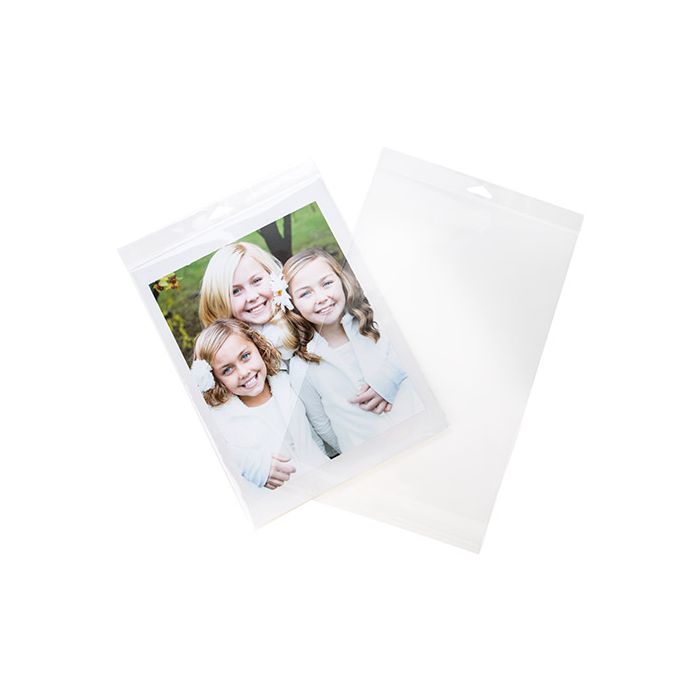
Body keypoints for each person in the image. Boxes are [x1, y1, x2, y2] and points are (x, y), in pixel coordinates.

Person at [282, 248, 421, 453]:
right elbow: (322, 425)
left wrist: (390, 378)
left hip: (419, 430)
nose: (321, 297)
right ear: (292, 304)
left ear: (341, 280)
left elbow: (416, 354)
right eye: (305, 293)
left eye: (327, 283)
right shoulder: (302, 366)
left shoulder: (377, 322)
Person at [191, 319, 333, 489]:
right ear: (215, 378)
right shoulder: (221, 420)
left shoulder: (285, 380)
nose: (244, 372)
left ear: (257, 346)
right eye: (227, 370)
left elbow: (315, 432)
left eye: (245, 356)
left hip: (328, 476)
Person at [198, 241, 300, 362]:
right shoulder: (227, 354)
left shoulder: (302, 314)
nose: (252, 296)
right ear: (221, 302)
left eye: (256, 281)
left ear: (271, 275)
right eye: (236, 291)